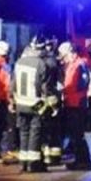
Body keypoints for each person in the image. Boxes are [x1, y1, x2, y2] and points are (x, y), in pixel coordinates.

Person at [12, 37, 52, 173]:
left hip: (20, 103)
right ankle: (33, 163)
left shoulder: (19, 62)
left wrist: (13, 100)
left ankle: (23, 163)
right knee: (35, 132)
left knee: (23, 132)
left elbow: (13, 84)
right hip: (35, 104)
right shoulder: (40, 64)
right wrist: (49, 103)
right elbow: (45, 87)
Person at [58, 42, 91, 170]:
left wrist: (64, 89)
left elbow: (80, 84)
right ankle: (80, 160)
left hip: (77, 104)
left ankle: (84, 161)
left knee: (78, 135)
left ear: (71, 53)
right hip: (72, 103)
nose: (63, 60)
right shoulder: (72, 65)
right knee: (75, 135)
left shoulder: (79, 65)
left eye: (64, 56)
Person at [41, 37, 64, 166]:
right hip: (53, 99)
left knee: (43, 128)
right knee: (54, 128)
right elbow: (60, 82)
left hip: (42, 100)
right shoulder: (54, 62)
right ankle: (55, 156)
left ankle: (45, 155)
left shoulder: (40, 62)